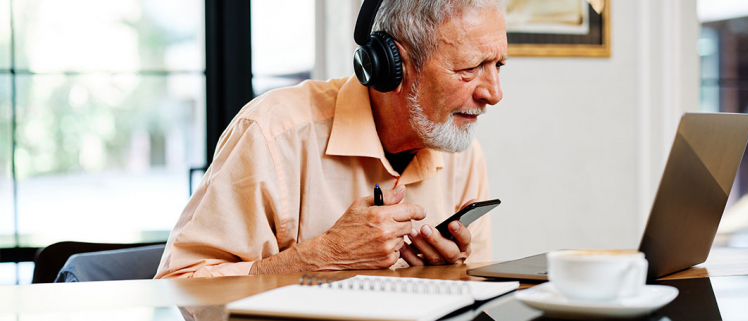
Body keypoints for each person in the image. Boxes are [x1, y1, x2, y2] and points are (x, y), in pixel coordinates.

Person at [155, 0, 507, 278]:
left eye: (498, 66)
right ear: (393, 67)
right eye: (470, 68)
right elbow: (183, 288)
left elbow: (476, 297)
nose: (494, 93)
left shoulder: (462, 150)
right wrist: (323, 256)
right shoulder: (271, 134)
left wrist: (451, 275)